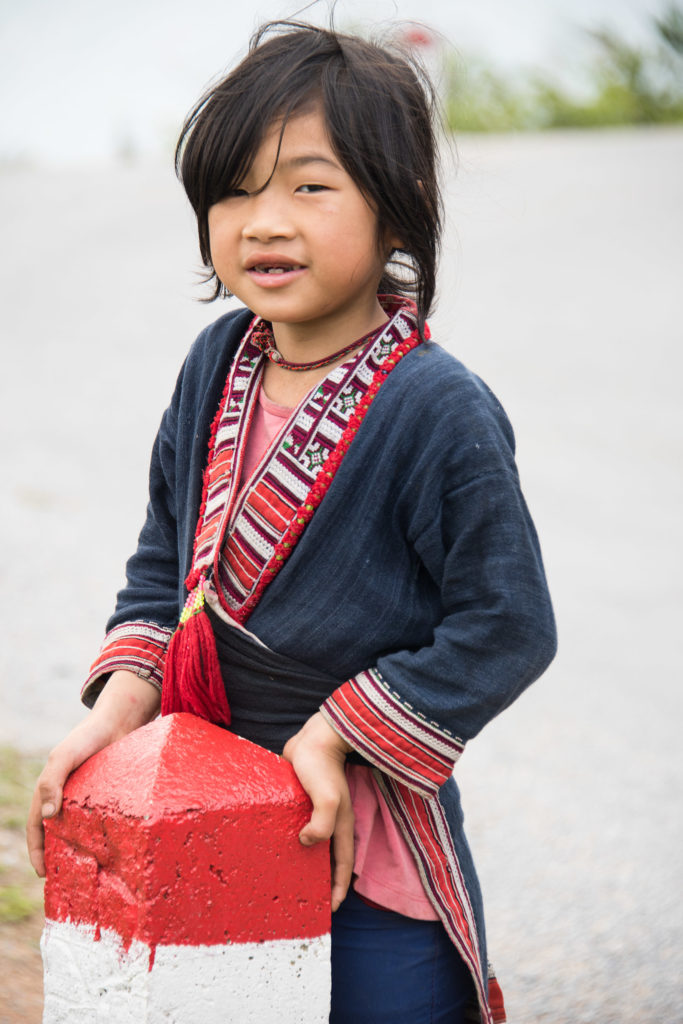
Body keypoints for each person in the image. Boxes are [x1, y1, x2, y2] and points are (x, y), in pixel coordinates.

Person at [27, 21, 556, 1024]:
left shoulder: (437, 407)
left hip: (356, 837)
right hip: (205, 814)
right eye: (236, 188)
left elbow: (507, 624)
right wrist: (119, 707)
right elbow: (160, 565)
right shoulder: (215, 363)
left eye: (309, 186)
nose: (265, 221)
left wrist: (333, 733)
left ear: (396, 214)